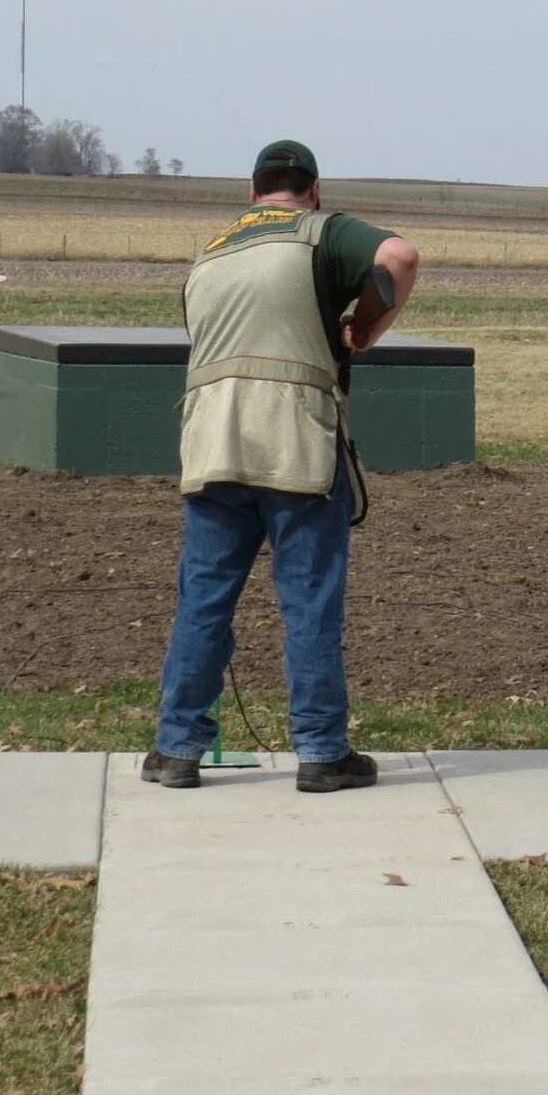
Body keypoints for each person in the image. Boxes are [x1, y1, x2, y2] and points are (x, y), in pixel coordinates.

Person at [142, 140, 420, 790]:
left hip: (212, 444)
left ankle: (178, 749)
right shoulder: (321, 233)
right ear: (314, 191)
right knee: (309, 603)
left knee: (203, 602)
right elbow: (398, 258)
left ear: (252, 190)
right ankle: (322, 752)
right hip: (295, 442)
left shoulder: (211, 254)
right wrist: (372, 325)